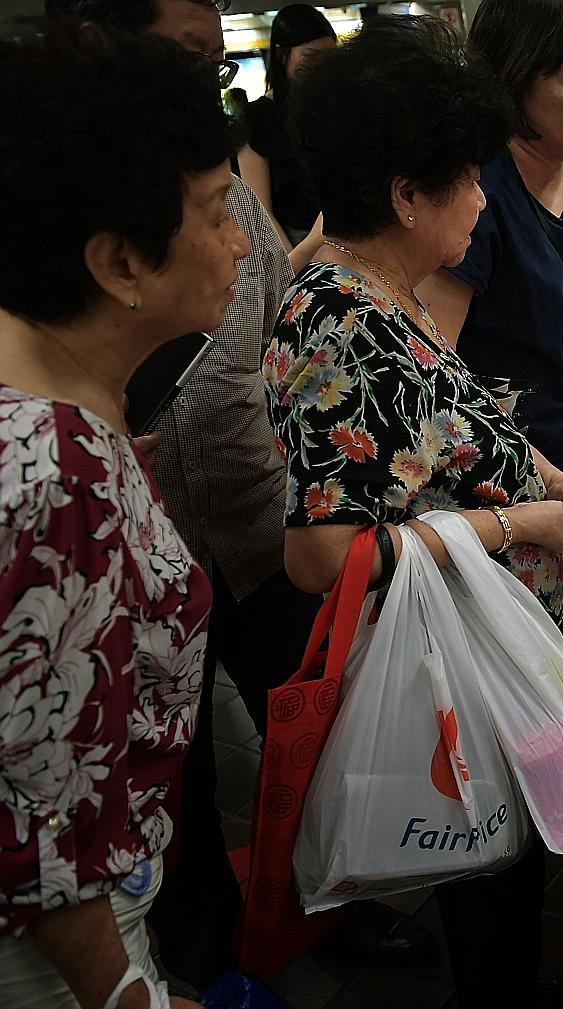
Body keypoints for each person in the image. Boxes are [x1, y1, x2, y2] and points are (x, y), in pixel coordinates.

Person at [52, 0, 434, 980]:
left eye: (211, 58)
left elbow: (272, 329)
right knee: (161, 774)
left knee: (303, 736)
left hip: (255, 526)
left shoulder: (233, 210)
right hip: (152, 541)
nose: (229, 241)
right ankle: (200, 953)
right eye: (179, 55)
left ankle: (325, 902)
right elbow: (47, 813)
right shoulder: (59, 465)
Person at [267, 16, 563, 1001]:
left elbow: (449, 432)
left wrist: (552, 481)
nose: (480, 196)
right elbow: (323, 555)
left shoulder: (395, 295)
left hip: (490, 645)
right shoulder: (345, 319)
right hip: (448, 670)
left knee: (502, 882)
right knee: (487, 892)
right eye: (462, 178)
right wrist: (523, 525)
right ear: (405, 194)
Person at [0, 20, 241, 1009]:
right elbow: (28, 802)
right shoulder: (56, 467)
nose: (237, 243)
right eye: (217, 212)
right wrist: (122, 993)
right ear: (119, 263)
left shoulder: (55, 405)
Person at [417, 0, 563, 473]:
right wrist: (549, 485)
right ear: (514, 81)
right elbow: (436, 379)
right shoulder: (474, 195)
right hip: (503, 481)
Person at [237, 4, 335, 249]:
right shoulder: (257, 117)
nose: (322, 68)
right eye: (311, 57)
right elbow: (260, 209)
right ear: (282, 54)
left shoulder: (334, 110)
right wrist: (292, 263)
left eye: (329, 57)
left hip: (340, 239)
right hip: (292, 245)